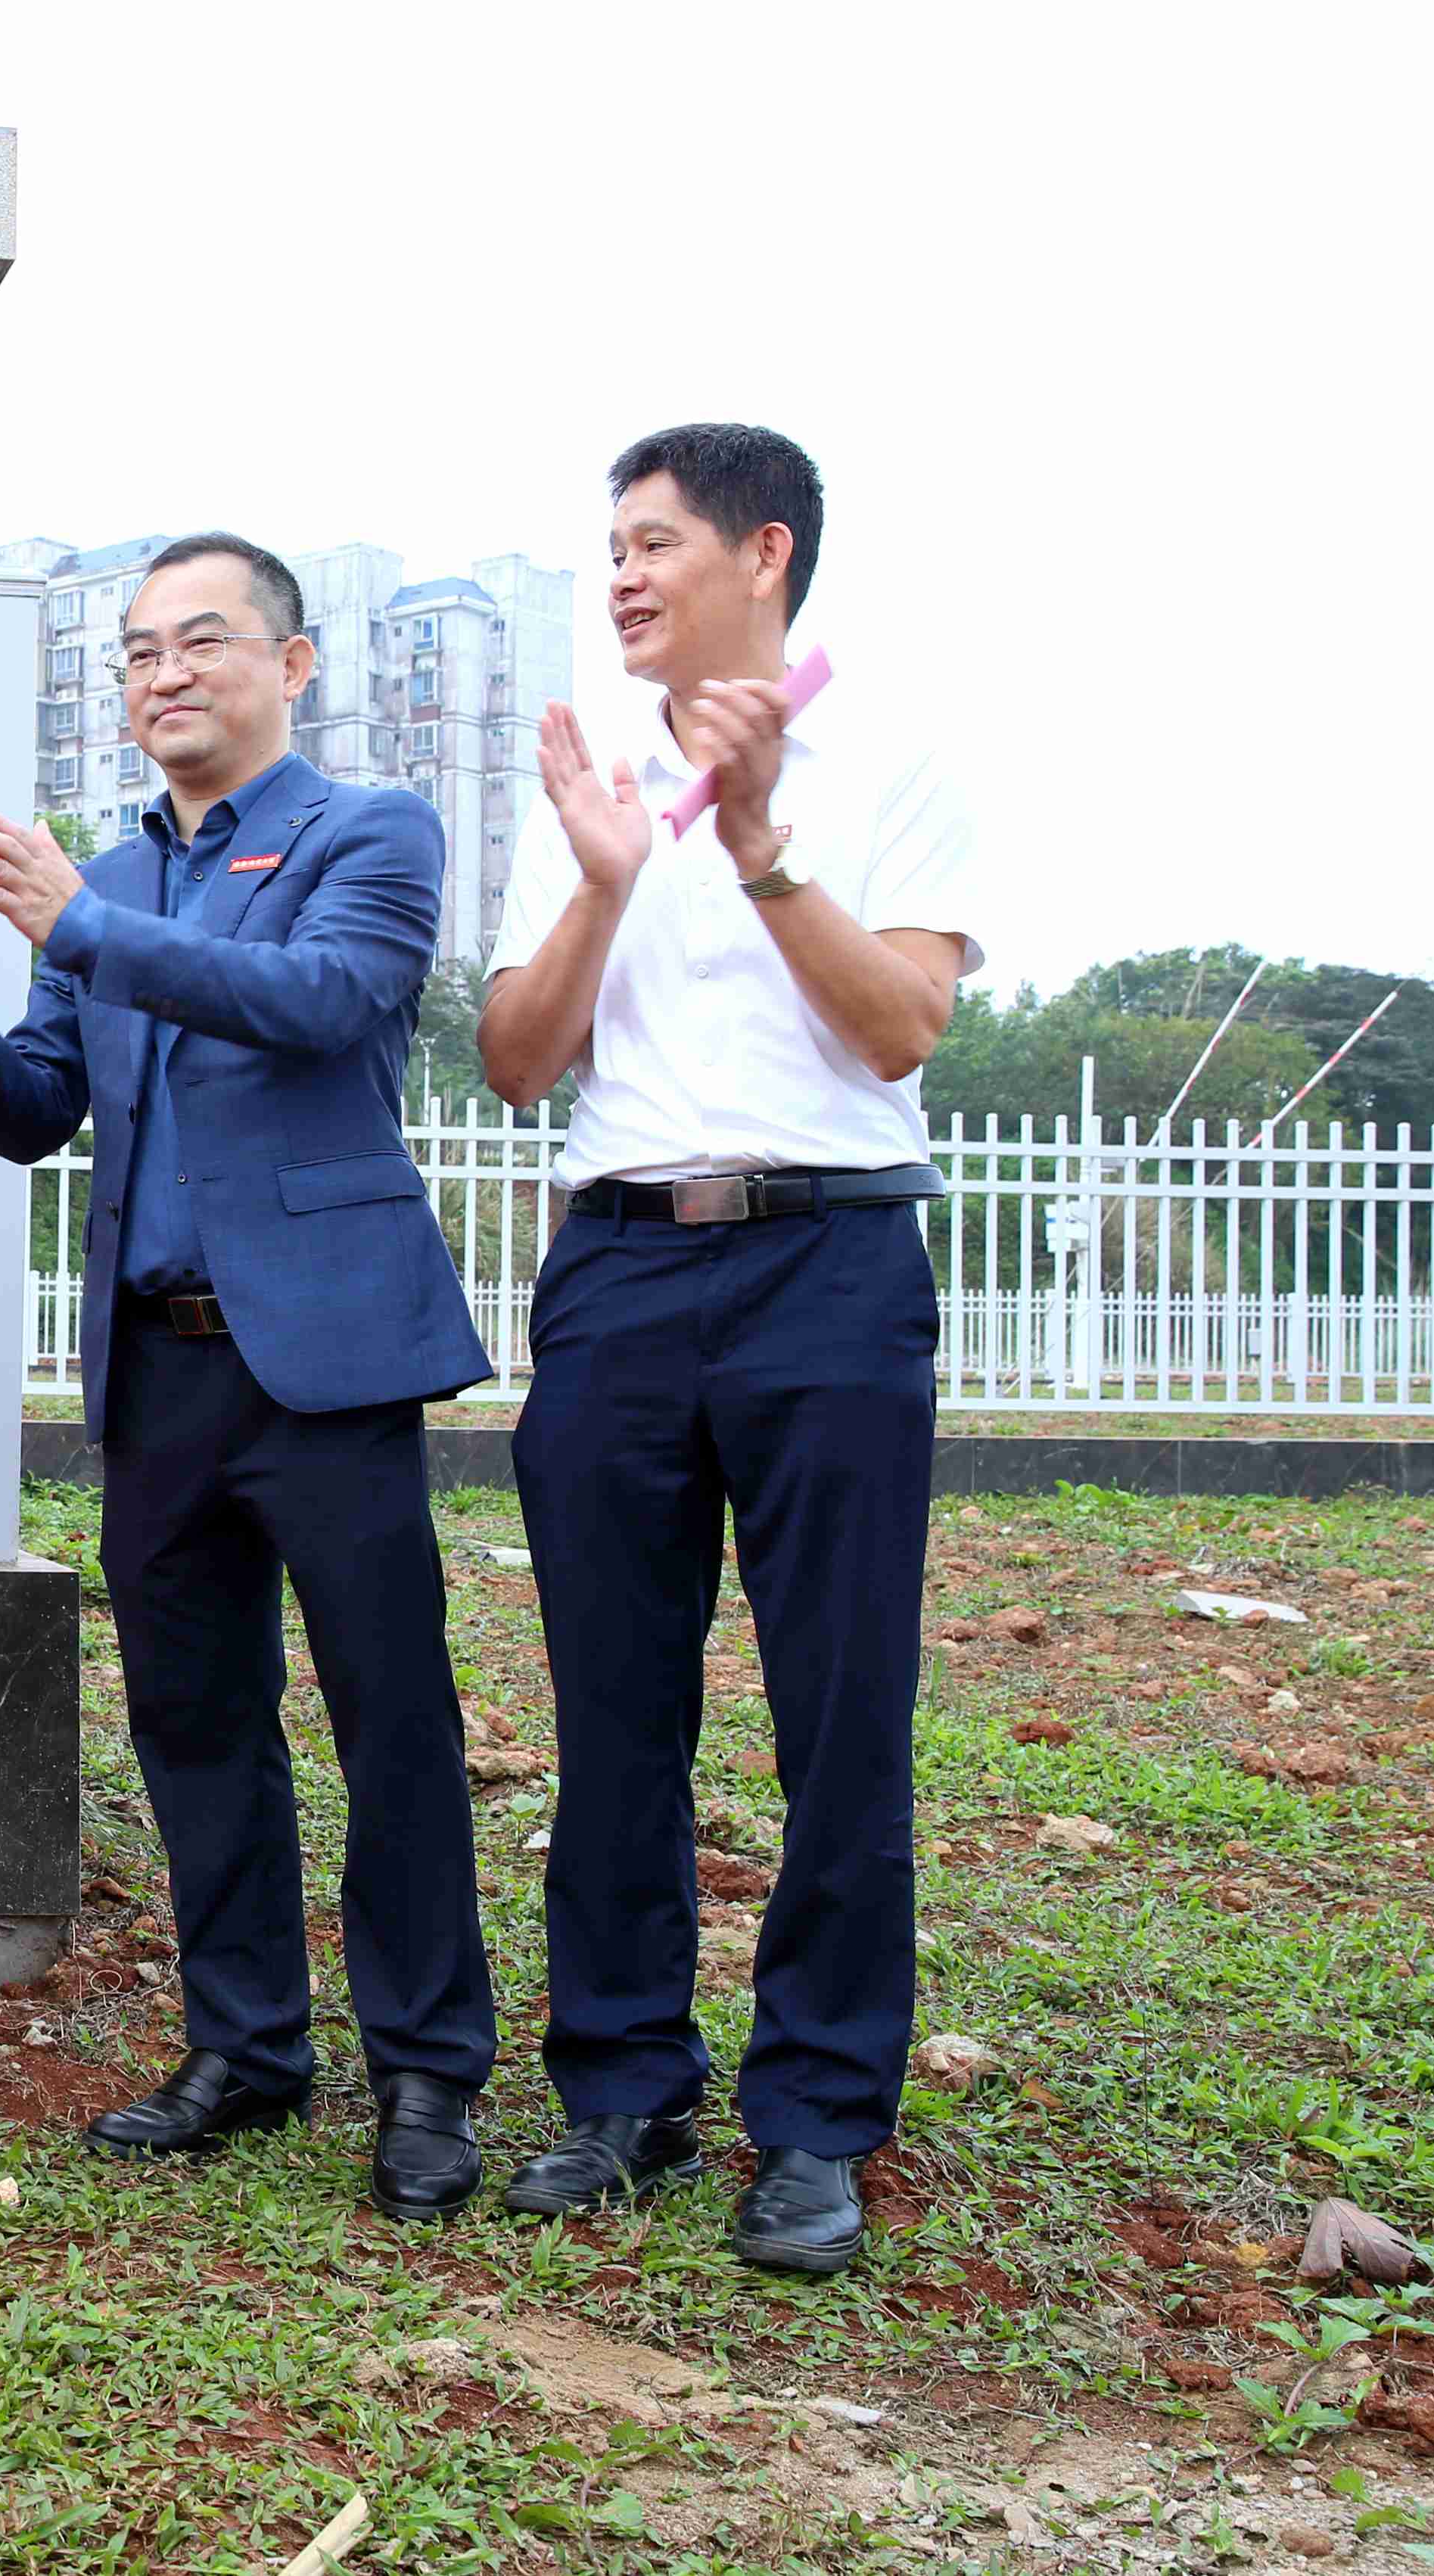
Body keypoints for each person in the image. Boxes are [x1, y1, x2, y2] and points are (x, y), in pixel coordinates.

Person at [0, 533, 499, 2214]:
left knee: (393, 1722)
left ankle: (430, 2072)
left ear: (290, 667)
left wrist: (80, 927)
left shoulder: (367, 831)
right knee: (196, 1719)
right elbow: (34, 1108)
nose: (160, 674)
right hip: (160, 1372)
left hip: (327, 1361)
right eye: (136, 652)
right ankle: (244, 2047)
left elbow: (323, 1000)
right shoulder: (116, 877)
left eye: (198, 642)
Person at [477, 424, 977, 2275]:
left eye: (652, 540)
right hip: (618, 1268)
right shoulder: (595, 781)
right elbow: (520, 1062)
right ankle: (619, 2083)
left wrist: (759, 849)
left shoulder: (887, 768)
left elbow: (899, 1031)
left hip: (827, 1262)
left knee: (841, 1707)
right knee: (612, 1698)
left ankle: (818, 2115)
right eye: (607, 543)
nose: (617, 573)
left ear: (763, 552)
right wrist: (608, 874)